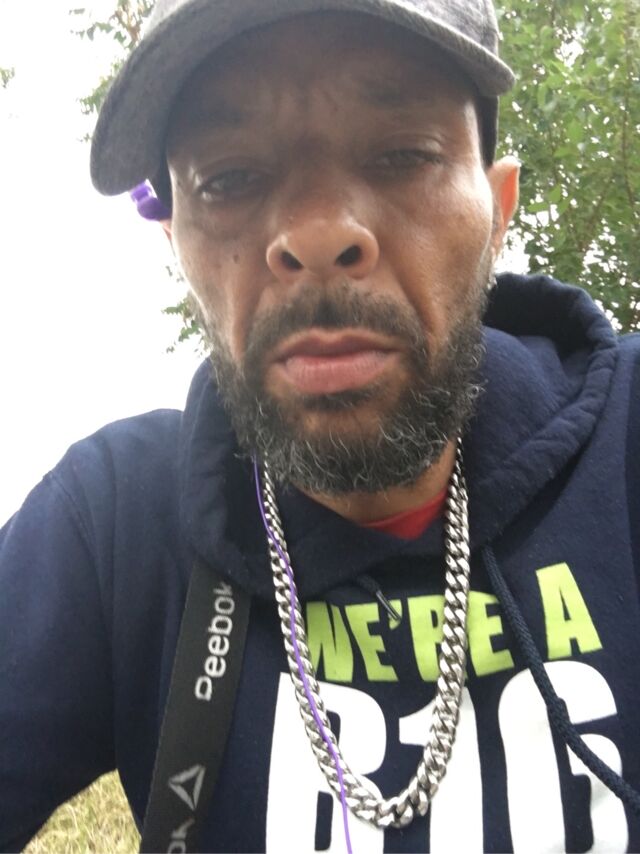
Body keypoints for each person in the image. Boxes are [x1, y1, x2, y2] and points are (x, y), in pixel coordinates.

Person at [2, 0, 640, 851]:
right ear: (174, 240)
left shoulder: (624, 448)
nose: (316, 234)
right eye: (230, 177)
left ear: (497, 210)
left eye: (402, 155)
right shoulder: (115, 524)